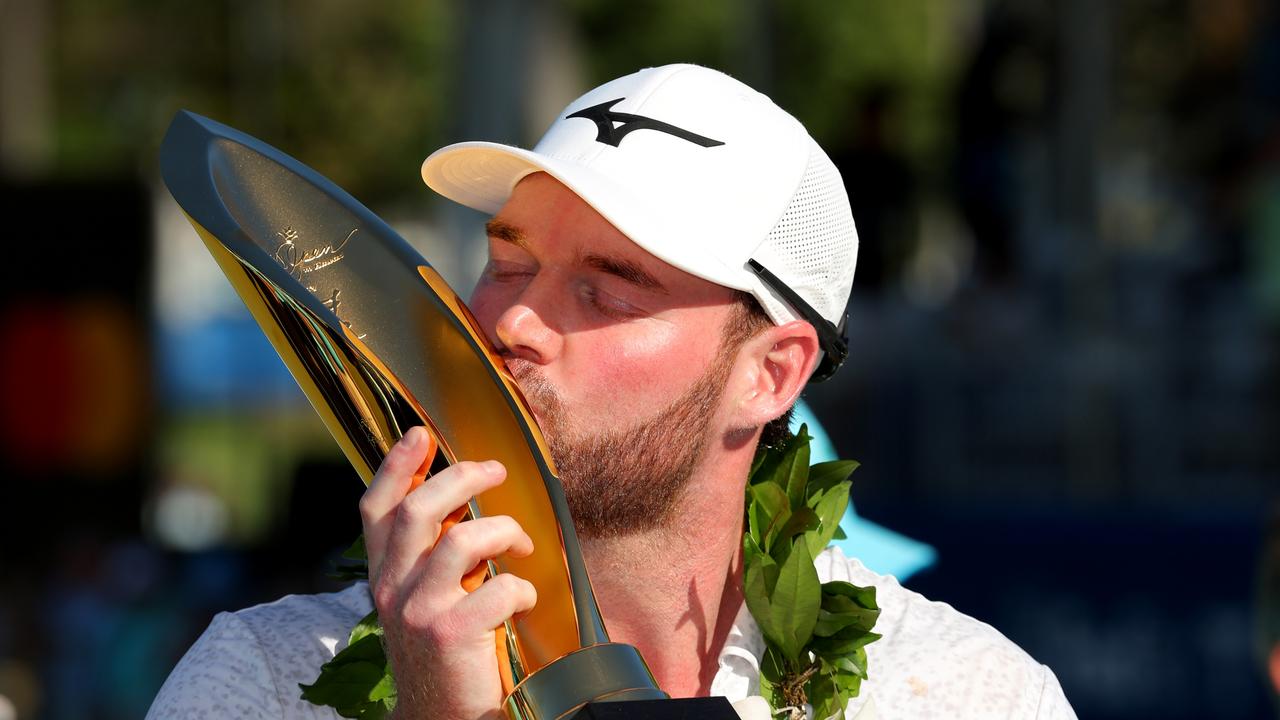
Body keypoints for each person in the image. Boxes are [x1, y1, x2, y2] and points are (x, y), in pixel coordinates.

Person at [147, 64, 1075, 719]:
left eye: (604, 290)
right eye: (507, 263)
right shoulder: (266, 680)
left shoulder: (963, 695)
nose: (510, 324)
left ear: (770, 373)